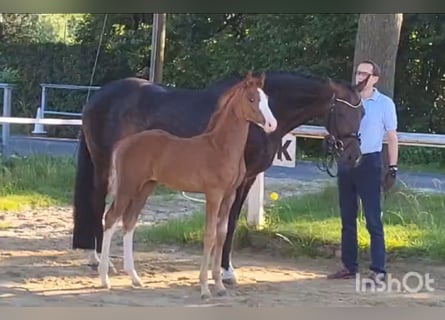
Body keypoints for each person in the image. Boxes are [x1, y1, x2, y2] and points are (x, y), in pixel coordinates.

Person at [327, 59, 399, 284]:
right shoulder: (347, 101)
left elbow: (392, 136)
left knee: (372, 219)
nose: (359, 77)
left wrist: (393, 167)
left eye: (364, 74)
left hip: (370, 162)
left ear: (375, 78)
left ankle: (378, 269)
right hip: (347, 161)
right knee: (347, 217)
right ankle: (349, 266)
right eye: (358, 73)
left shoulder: (385, 104)